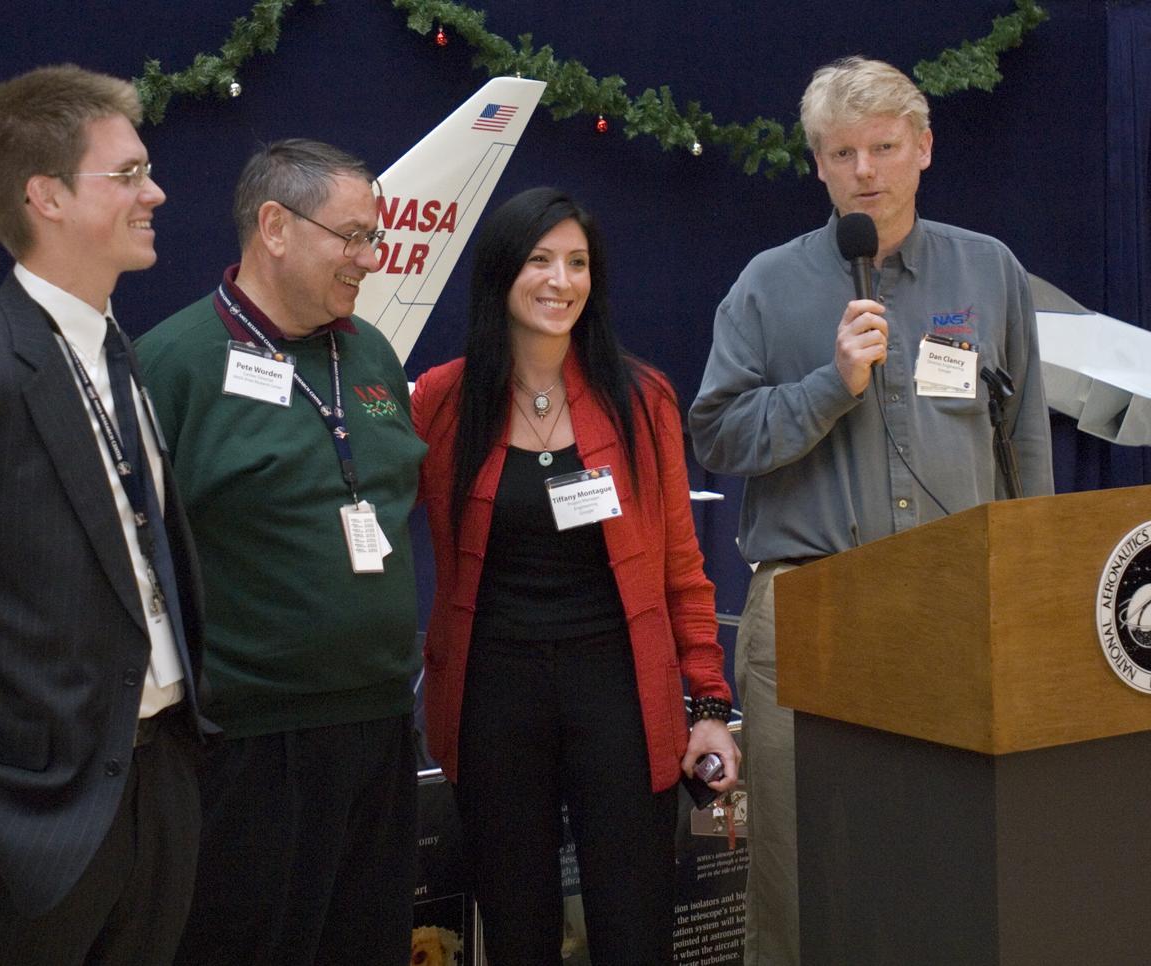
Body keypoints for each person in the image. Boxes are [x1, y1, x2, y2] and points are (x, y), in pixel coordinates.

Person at [689, 56, 1054, 966]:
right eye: (843, 151)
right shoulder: (769, 284)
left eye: (885, 147)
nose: (866, 170)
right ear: (817, 164)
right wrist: (830, 384)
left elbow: (1024, 439)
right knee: (802, 861)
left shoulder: (990, 270)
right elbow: (719, 439)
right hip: (810, 604)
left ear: (923, 148)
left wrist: (1035, 590)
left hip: (953, 604)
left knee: (950, 849)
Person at [0, 65, 215, 964]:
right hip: (29, 815)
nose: (158, 192)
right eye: (130, 173)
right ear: (45, 196)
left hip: (162, 782)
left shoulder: (121, 354)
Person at [412, 187, 741, 966]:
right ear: (500, 274)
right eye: (539, 260)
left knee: (634, 927)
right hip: (493, 693)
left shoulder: (642, 398)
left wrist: (707, 703)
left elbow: (681, 570)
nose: (561, 281)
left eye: (577, 263)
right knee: (516, 927)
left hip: (619, 690)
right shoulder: (441, 401)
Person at [135, 139, 426, 966]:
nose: (370, 259)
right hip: (252, 746)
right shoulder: (172, 365)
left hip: (377, 727)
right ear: (274, 226)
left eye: (374, 237)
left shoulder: (367, 351)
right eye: (353, 236)